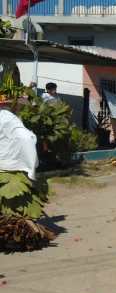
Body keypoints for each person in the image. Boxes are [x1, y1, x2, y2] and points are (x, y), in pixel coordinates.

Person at [0, 87, 54, 252]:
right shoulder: (8, 118)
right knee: (17, 205)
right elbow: (26, 137)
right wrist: (30, 164)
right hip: (12, 167)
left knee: (10, 206)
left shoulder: (6, 118)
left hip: (7, 166)